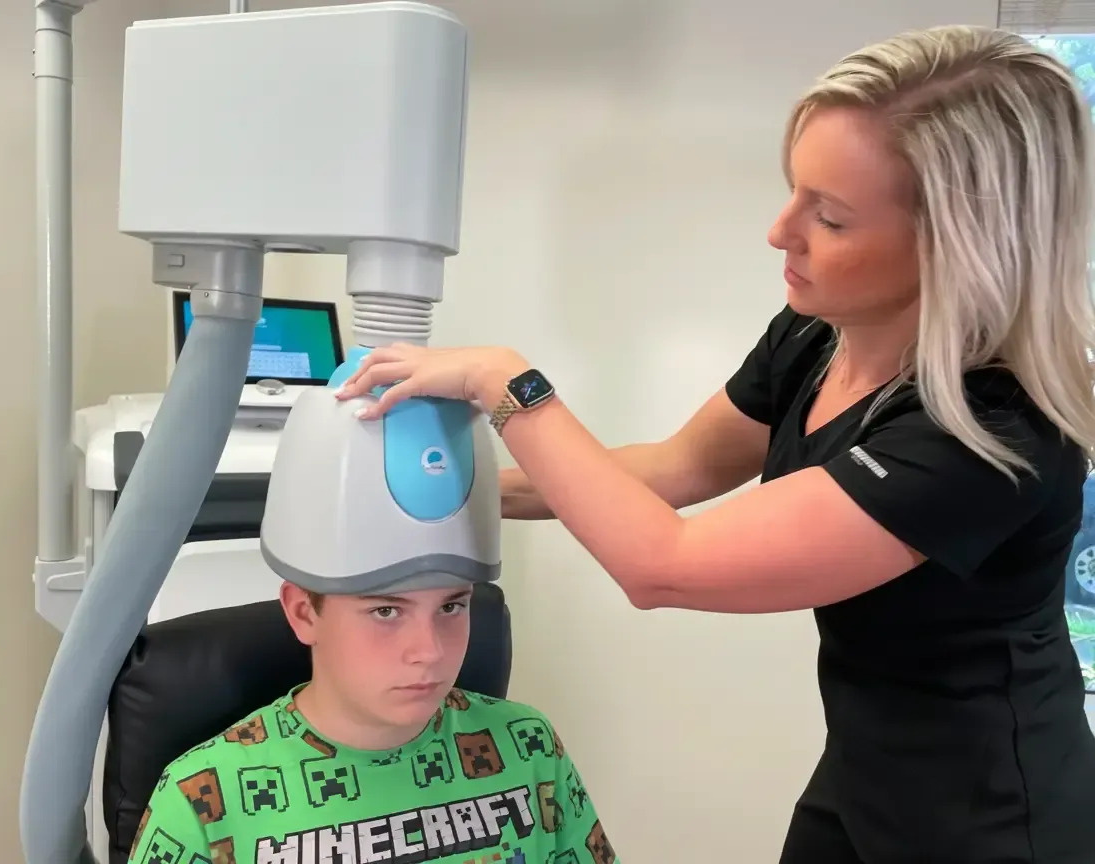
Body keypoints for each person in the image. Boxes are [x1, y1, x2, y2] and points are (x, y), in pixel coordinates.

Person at [336, 24, 1095, 864]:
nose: (781, 232)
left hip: (992, 813)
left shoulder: (989, 431)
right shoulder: (819, 332)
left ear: (956, 246)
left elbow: (664, 561)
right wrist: (424, 492)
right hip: (864, 762)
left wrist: (509, 384)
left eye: (830, 218)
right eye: (793, 192)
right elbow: (677, 469)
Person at [126, 582, 616, 864]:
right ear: (304, 612)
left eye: (451, 606)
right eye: (385, 610)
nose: (430, 652)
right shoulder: (202, 796)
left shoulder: (527, 746)